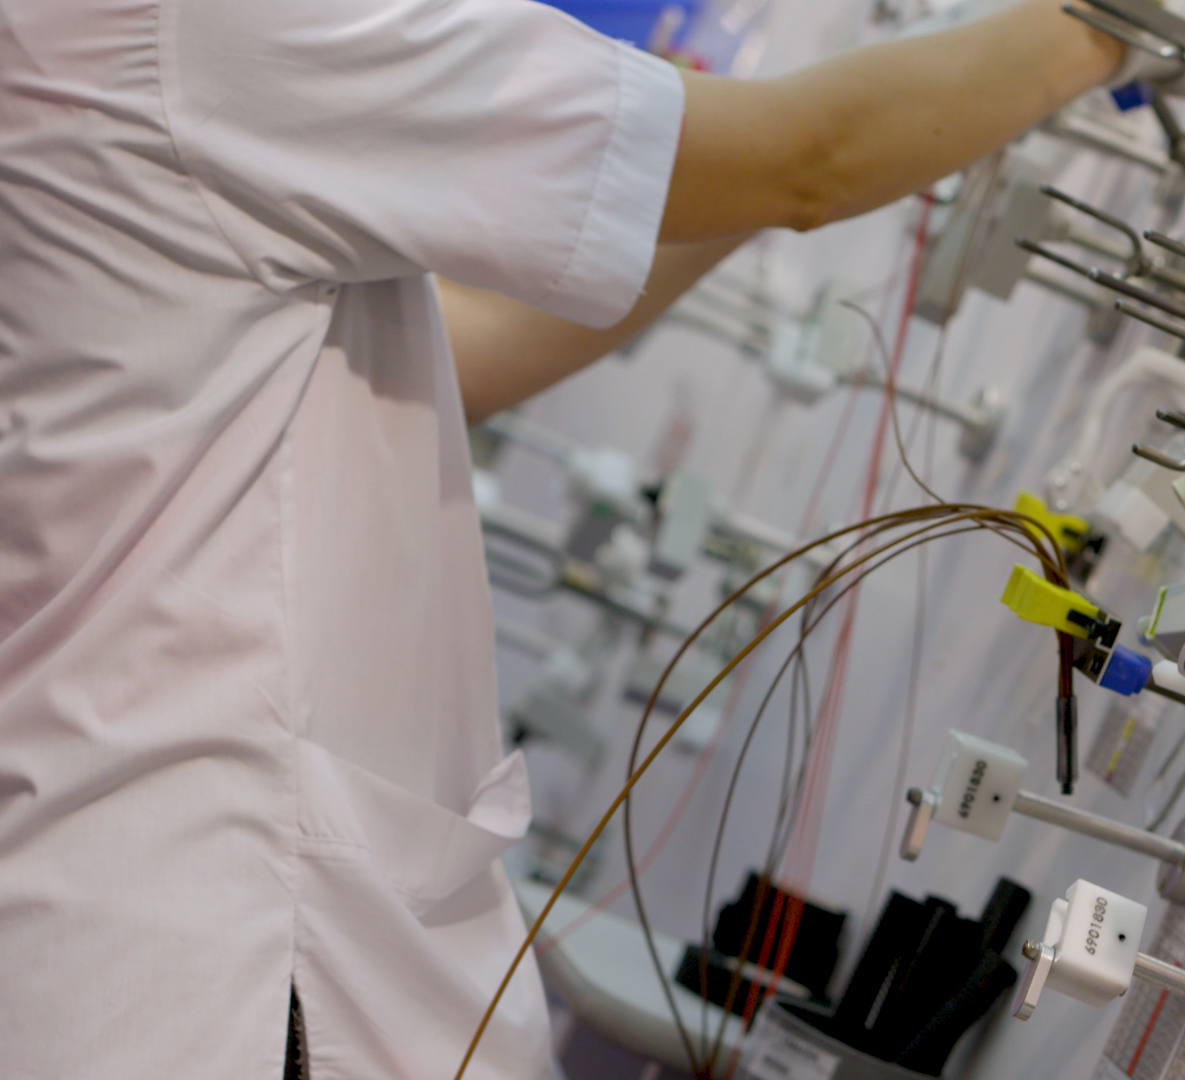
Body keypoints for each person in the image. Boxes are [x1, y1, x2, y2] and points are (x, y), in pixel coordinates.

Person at [0, 0, 1126, 1076]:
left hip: (136, 922)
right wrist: (1110, 30)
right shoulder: (185, 32)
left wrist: (675, 172)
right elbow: (815, 157)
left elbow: (474, 346)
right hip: (231, 959)